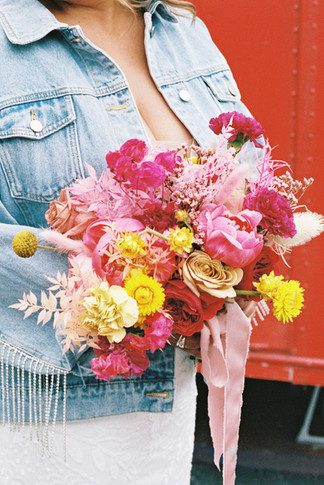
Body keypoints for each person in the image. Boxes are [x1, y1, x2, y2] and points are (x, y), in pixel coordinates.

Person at [0, 1, 256, 483]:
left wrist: (228, 266)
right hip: (39, 413)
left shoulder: (181, 30)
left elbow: (248, 175)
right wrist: (120, 295)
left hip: (166, 411)